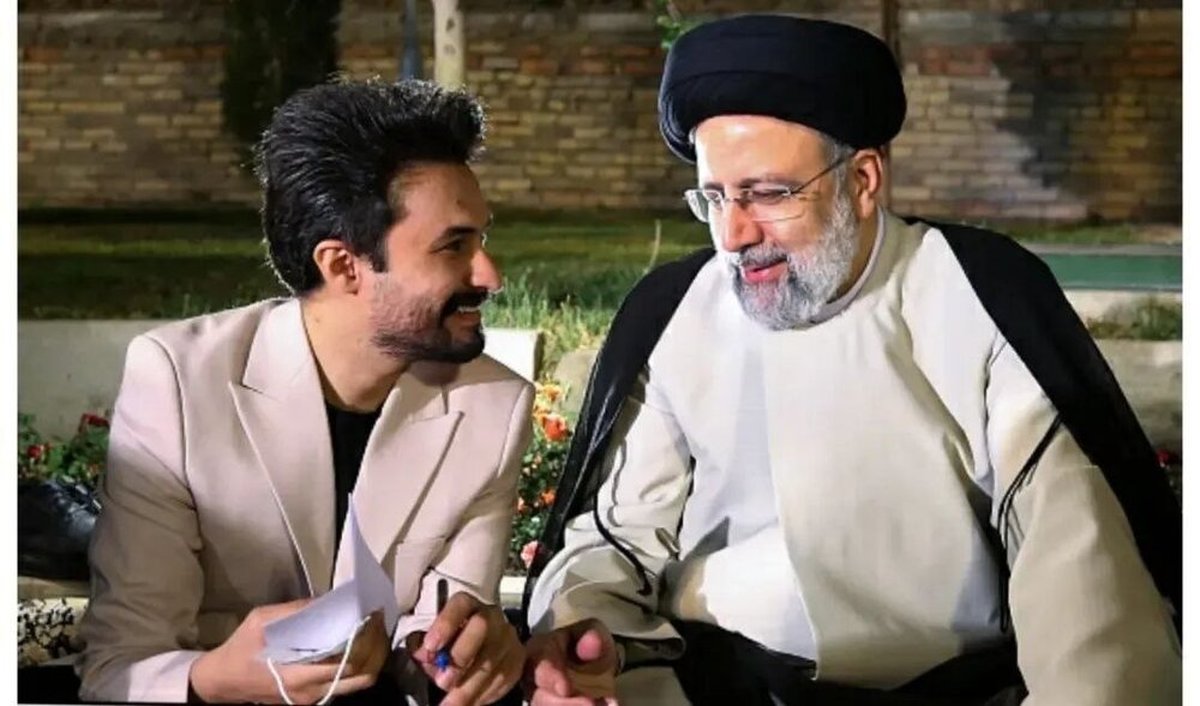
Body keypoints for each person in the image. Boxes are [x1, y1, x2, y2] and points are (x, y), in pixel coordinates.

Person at [522, 15, 1181, 706]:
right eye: (714, 197)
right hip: (708, 680)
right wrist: (582, 632)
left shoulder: (975, 293)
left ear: (863, 181)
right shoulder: (676, 311)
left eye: (768, 194)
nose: (734, 234)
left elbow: (1071, 550)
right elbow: (619, 540)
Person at [77, 79, 532, 705]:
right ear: (343, 265)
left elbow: (442, 635)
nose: (490, 274)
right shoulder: (181, 382)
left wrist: (463, 654)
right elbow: (119, 666)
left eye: (482, 239)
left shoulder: (492, 405)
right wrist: (215, 677)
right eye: (454, 246)